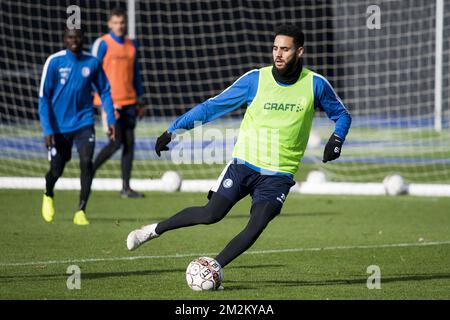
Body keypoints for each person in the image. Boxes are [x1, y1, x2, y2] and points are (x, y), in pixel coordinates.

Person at [126, 25, 352, 283]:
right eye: (275, 48)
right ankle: (151, 231)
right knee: (212, 214)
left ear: (299, 52)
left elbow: (342, 115)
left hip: (278, 174)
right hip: (244, 163)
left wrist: (336, 139)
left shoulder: (315, 84)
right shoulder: (256, 79)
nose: (278, 54)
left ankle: (214, 268)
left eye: (285, 49)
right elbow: (212, 107)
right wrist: (173, 130)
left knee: (257, 223)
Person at [39, 27, 116, 225]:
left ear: (83, 39)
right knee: (56, 170)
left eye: (78, 37)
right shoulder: (54, 62)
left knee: (86, 163)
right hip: (58, 127)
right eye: (70, 37)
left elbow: (105, 91)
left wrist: (111, 120)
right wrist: (47, 129)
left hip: (84, 122)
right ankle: (48, 194)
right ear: (65, 39)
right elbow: (44, 98)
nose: (74, 40)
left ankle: (81, 210)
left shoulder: (92, 62)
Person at [91, 8, 145, 198]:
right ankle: (89, 171)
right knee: (115, 143)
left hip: (130, 101)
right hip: (110, 103)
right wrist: (94, 96)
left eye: (122, 22)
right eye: (115, 22)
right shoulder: (103, 43)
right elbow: (92, 71)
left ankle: (126, 187)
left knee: (129, 144)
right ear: (109, 24)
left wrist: (140, 99)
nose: (119, 26)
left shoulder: (131, 44)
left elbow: (136, 73)